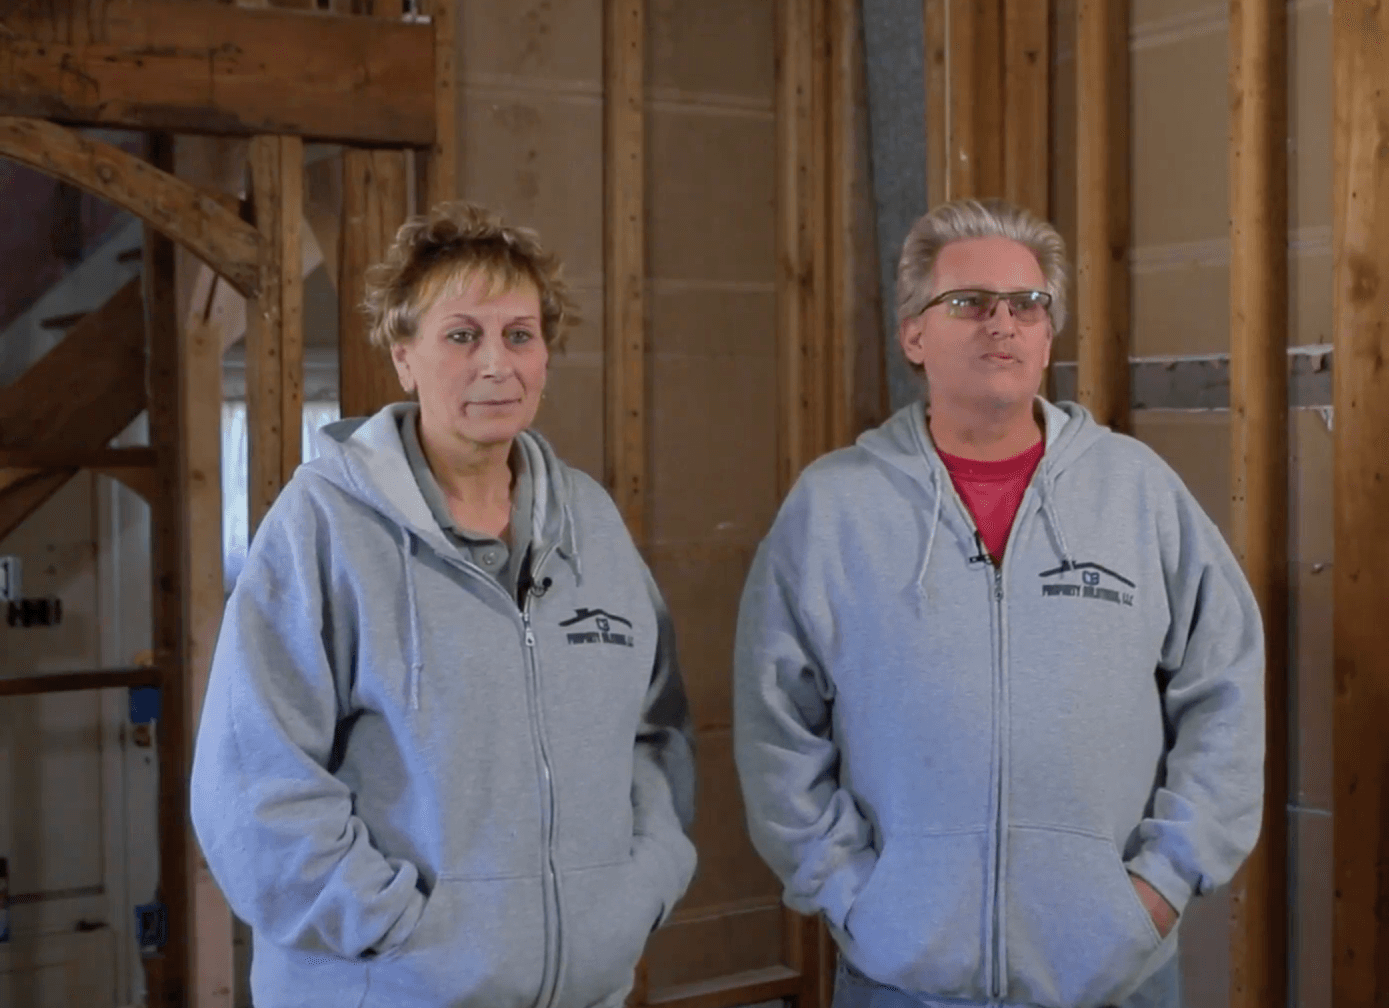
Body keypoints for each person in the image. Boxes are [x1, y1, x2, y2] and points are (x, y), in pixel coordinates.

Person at [733, 198, 1264, 1008]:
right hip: (901, 977)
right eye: (970, 303)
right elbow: (776, 725)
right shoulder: (835, 508)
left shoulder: (1137, 493)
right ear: (915, 334)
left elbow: (1226, 687)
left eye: (1026, 305)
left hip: (1114, 976)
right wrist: (851, 892)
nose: (1002, 325)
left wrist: (1160, 886)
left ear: (1049, 336)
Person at [191, 202, 695, 1008]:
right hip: (389, 988)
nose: (496, 364)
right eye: (462, 335)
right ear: (404, 357)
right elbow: (251, 783)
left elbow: (654, 732)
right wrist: (400, 931)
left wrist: (638, 892)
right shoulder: (323, 524)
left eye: (519, 335)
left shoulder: (591, 524)